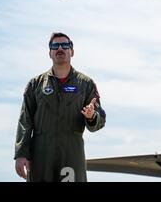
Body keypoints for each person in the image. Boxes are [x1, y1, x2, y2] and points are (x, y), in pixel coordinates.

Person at [14, 32, 106, 182]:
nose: (60, 48)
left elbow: (100, 119)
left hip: (71, 153)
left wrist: (91, 116)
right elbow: (25, 121)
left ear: (72, 51)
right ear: (50, 53)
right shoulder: (35, 84)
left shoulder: (86, 84)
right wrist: (21, 153)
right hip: (41, 155)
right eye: (55, 46)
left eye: (65, 45)